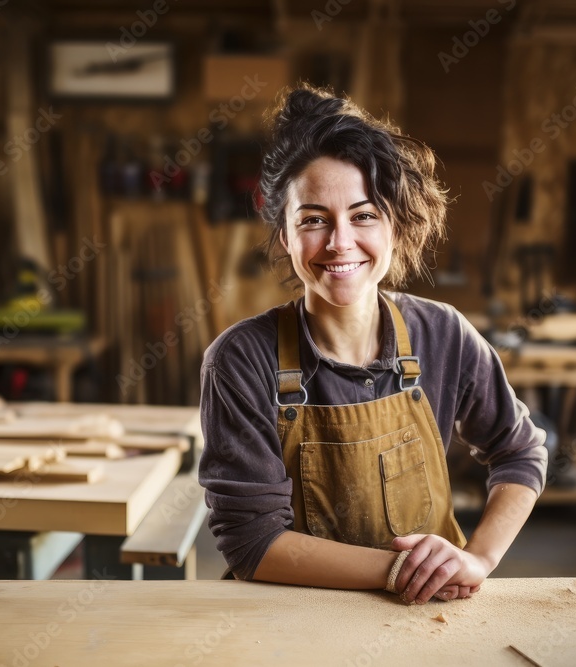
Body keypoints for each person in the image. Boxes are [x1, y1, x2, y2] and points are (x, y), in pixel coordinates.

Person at [198, 85, 547, 604]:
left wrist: (477, 558)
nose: (340, 242)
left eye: (364, 215)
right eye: (313, 219)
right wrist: (406, 570)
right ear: (284, 233)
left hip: (427, 617)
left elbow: (519, 451)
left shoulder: (443, 335)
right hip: (286, 623)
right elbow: (252, 542)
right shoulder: (240, 360)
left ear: (395, 225)